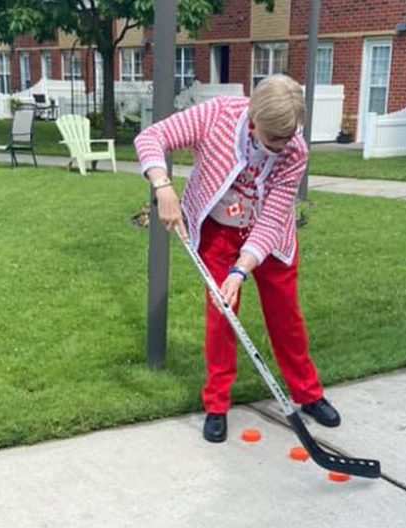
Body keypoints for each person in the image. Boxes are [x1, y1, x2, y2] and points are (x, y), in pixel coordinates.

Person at [134, 75, 340, 443]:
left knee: (286, 315)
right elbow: (151, 137)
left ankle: (308, 394)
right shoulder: (217, 116)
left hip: (268, 236)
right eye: (273, 138)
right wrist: (163, 186)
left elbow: (275, 215)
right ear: (253, 119)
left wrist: (241, 269)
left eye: (289, 136)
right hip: (218, 229)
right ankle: (216, 405)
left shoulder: (295, 150)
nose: (281, 147)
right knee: (221, 318)